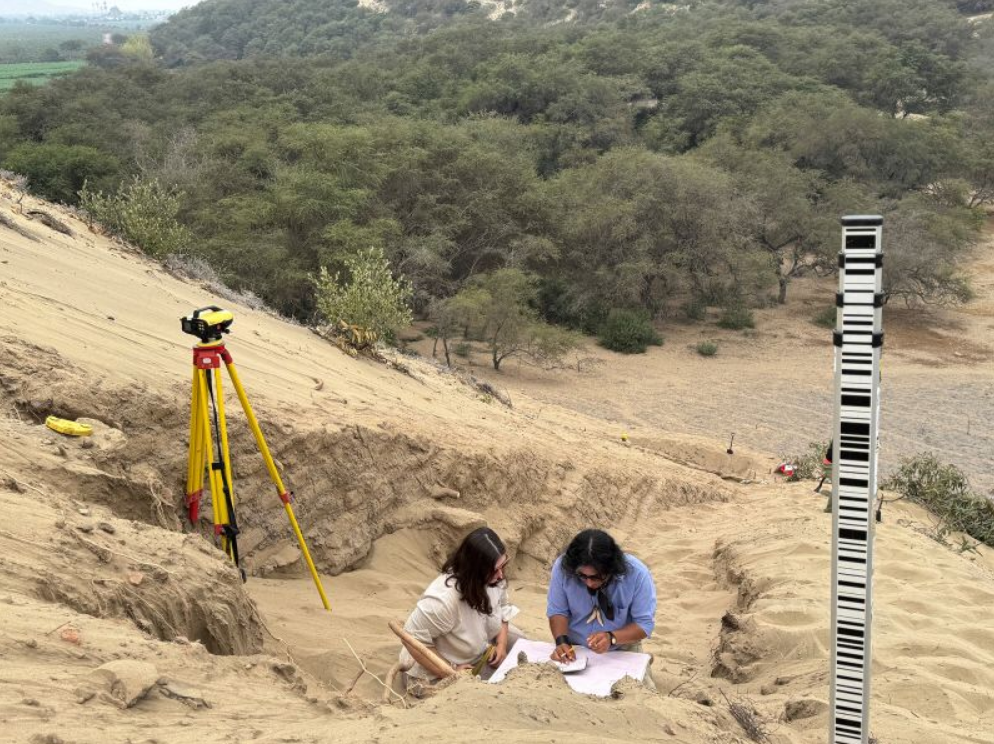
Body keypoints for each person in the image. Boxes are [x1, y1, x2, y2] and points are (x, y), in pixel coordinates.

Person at [399, 527, 520, 691]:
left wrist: (501, 644)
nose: (500, 575)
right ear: (475, 570)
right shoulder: (442, 602)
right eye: (494, 570)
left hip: (482, 645)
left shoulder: (495, 579)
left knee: (526, 648)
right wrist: (451, 671)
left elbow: (503, 609)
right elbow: (411, 639)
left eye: (503, 566)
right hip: (437, 668)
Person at [546, 529, 656, 682]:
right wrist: (562, 642)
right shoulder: (562, 568)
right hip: (575, 648)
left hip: (622, 647)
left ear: (612, 568)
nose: (589, 583)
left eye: (596, 577)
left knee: (641, 694)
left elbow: (644, 625)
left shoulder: (637, 574)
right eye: (582, 576)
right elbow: (558, 611)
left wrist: (611, 637)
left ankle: (643, 662)